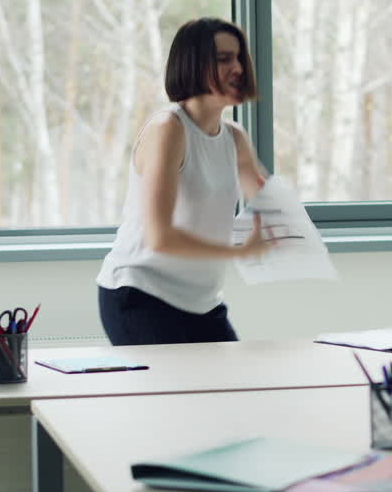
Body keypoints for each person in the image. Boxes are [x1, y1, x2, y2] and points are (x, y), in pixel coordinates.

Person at [96, 17, 272, 345]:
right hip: (141, 295)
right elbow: (159, 238)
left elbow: (267, 201)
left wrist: (279, 222)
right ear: (193, 65)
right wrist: (241, 251)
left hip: (201, 301)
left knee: (234, 389)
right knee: (177, 396)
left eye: (239, 58)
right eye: (223, 60)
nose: (237, 68)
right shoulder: (169, 130)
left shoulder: (234, 137)